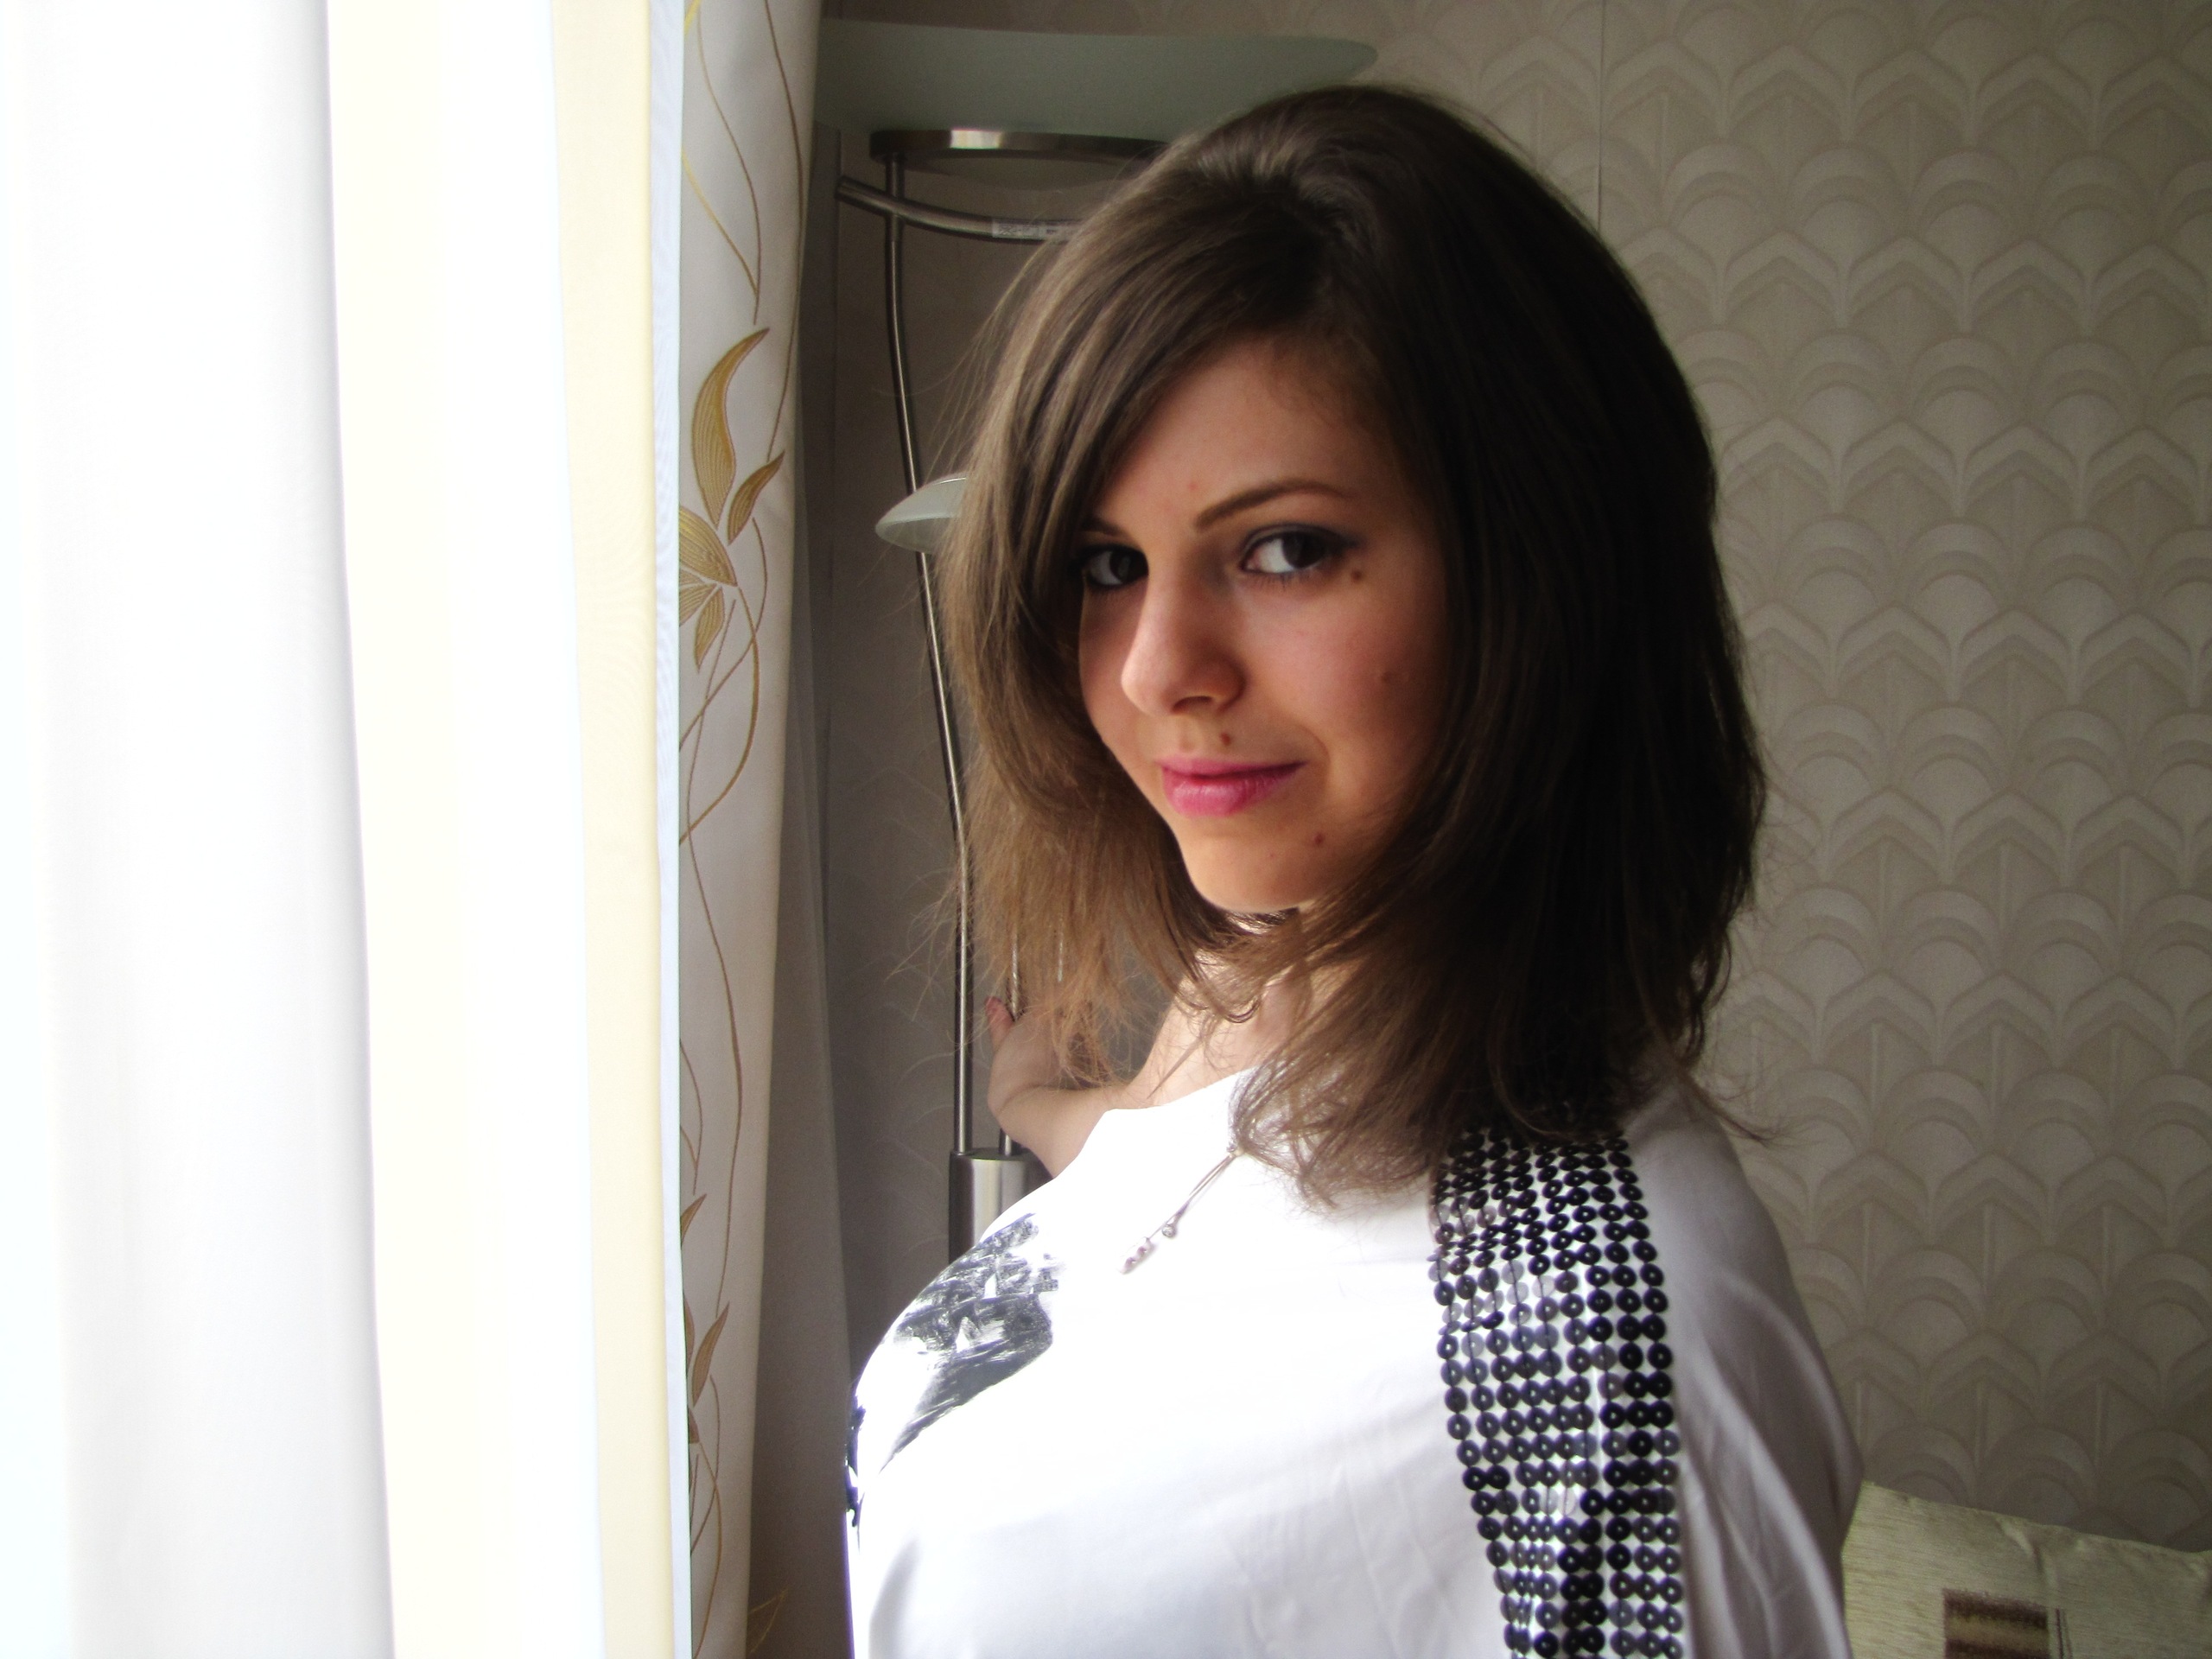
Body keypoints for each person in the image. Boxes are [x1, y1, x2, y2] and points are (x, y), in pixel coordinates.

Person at [843, 85, 1861, 1659]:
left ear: (1543, 581)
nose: (1155, 669)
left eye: (1286, 549)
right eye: (1107, 565)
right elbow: (1225, 1187)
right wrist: (1040, 1108)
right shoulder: (1265, 964)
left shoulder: (1603, 1371)